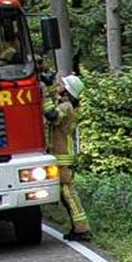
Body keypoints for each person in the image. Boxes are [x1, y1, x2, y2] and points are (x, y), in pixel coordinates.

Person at [44, 74, 91, 241]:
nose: (59, 86)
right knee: (67, 195)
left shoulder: (66, 107)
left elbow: (52, 115)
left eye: (62, 85)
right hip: (65, 156)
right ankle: (78, 227)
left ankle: (82, 229)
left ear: (68, 90)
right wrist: (50, 87)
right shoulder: (69, 106)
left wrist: (43, 94)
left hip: (63, 157)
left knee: (68, 194)